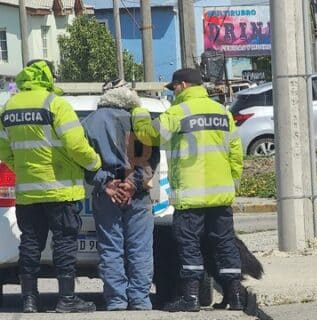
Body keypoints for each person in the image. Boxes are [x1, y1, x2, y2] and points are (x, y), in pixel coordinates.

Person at [131, 68, 244, 312]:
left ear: (182, 85)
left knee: (189, 244)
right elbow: (236, 152)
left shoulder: (177, 113)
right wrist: (232, 182)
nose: (173, 93)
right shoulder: (222, 113)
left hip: (191, 197)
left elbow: (148, 135)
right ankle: (234, 296)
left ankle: (190, 298)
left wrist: (139, 111)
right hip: (220, 196)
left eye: (174, 88)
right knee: (225, 245)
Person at [0, 59, 101, 313]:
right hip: (60, 190)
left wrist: (19, 168)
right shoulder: (55, 104)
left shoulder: (8, 107)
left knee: (30, 244)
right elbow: (77, 145)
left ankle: (29, 300)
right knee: (64, 243)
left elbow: (3, 148)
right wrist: (94, 164)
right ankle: (66, 299)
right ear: (48, 76)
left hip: (27, 193)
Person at [82, 79, 159, 311]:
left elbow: (83, 160)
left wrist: (107, 182)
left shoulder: (89, 123)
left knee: (110, 247)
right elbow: (149, 157)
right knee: (140, 247)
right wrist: (132, 183)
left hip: (107, 192)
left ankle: (116, 300)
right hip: (137, 193)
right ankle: (140, 300)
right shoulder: (139, 120)